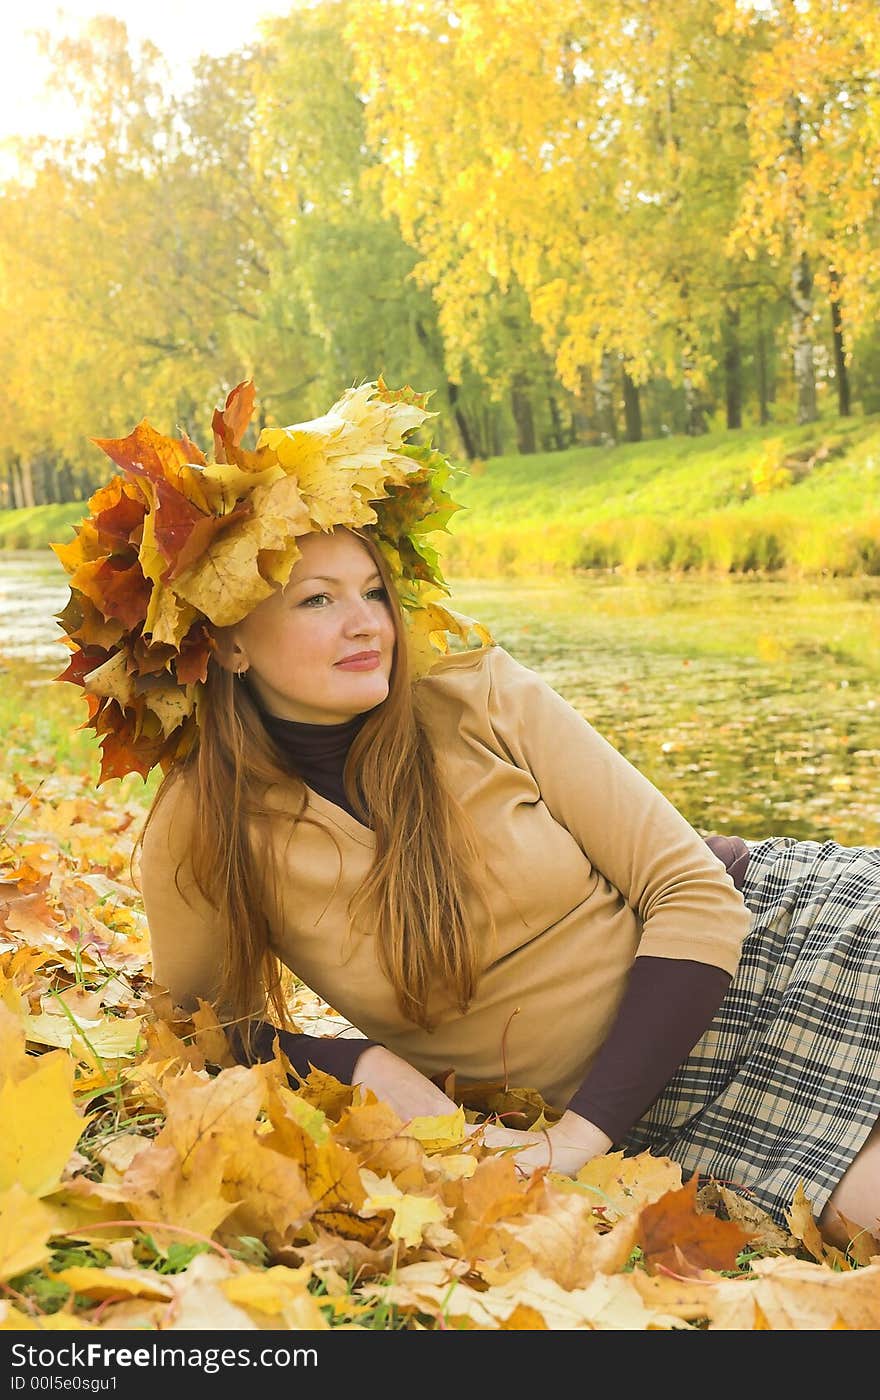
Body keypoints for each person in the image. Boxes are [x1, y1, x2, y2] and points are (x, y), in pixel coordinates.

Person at [54, 377, 880, 1256]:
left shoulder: (478, 694)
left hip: (774, 947)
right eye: (317, 599)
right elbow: (208, 1027)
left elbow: (693, 893)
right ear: (226, 641)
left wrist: (579, 1140)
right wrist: (363, 1065)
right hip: (661, 1099)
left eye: (373, 591)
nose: (366, 622)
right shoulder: (204, 824)